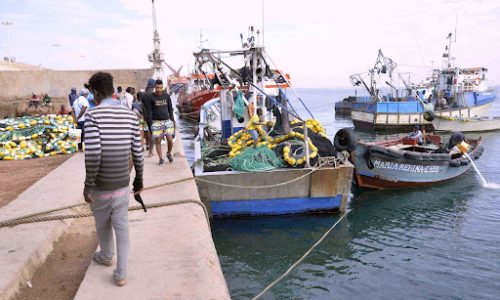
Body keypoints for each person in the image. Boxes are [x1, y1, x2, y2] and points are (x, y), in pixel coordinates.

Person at [83, 71, 143, 287]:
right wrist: (139, 181)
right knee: (122, 225)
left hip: (101, 187)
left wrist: (88, 185)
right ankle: (122, 273)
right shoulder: (130, 116)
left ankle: (107, 256)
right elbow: (138, 152)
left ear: (96, 92)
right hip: (122, 185)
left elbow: (94, 154)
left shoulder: (92, 116)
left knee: (102, 223)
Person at [144, 79, 175, 165]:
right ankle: (161, 158)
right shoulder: (150, 97)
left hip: (167, 121)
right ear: (155, 87)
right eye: (157, 88)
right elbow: (149, 112)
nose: (159, 90)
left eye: (160, 88)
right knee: (158, 140)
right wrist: (150, 125)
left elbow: (170, 110)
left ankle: (168, 153)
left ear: (162, 87)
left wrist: (173, 121)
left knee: (170, 140)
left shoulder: (167, 96)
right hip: (156, 121)